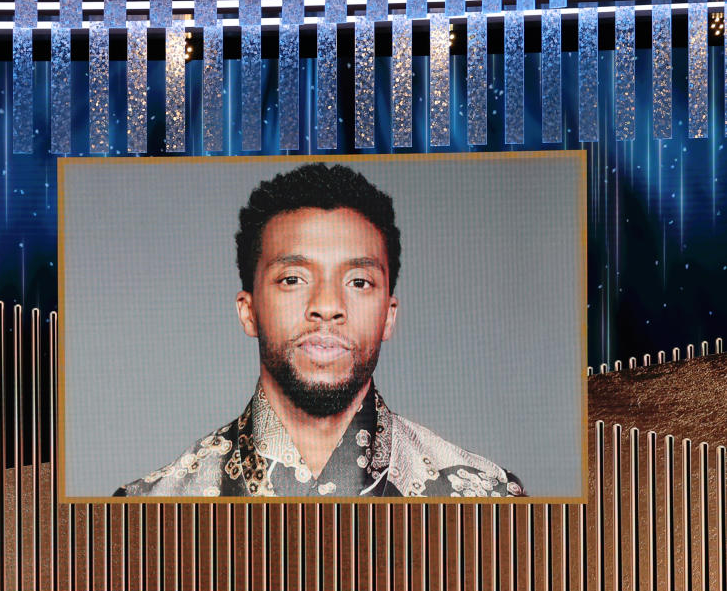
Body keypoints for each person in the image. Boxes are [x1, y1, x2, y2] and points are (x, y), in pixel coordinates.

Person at [116, 163, 524, 499]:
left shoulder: (485, 498)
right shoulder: (145, 511)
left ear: (389, 316)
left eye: (359, 282)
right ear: (248, 311)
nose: (327, 306)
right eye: (293, 279)